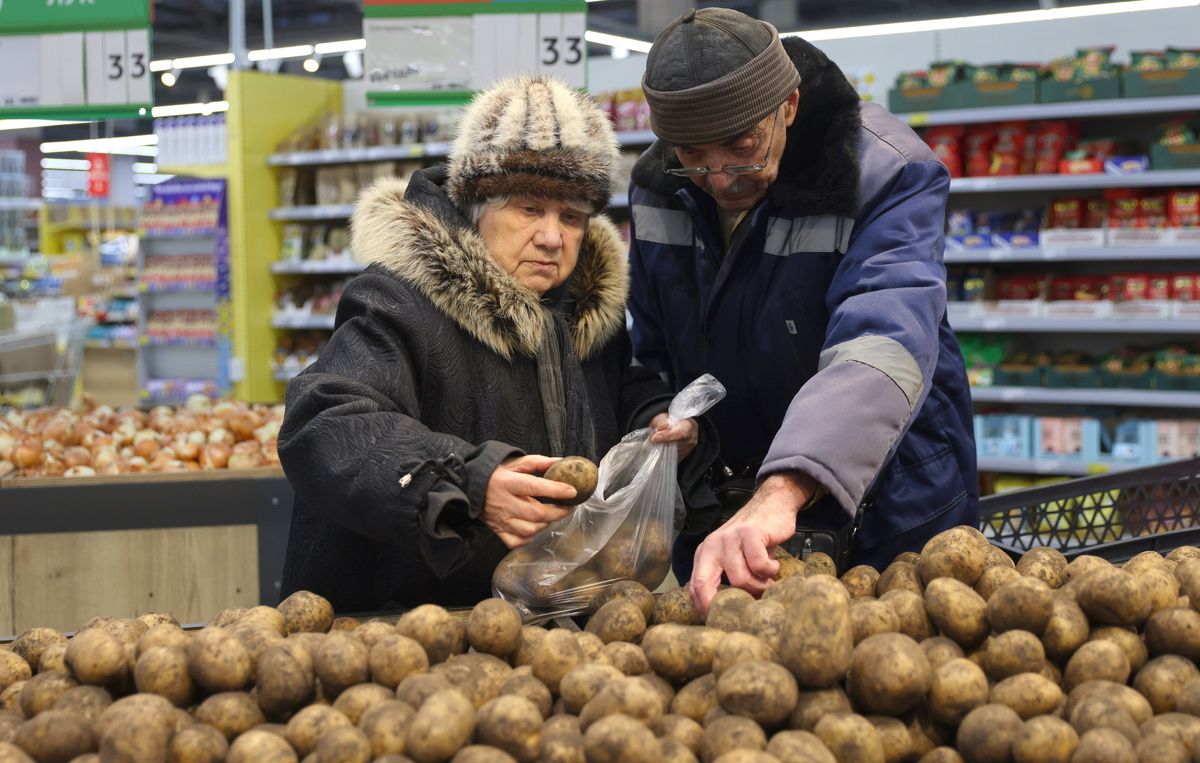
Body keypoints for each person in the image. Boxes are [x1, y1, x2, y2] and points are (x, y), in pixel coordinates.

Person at [278, 75, 715, 612]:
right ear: (477, 206)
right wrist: (468, 481)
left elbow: (619, 391)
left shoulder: (582, 312)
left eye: (572, 217)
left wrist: (655, 421)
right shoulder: (396, 302)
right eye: (530, 209)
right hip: (406, 627)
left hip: (543, 622)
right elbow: (324, 422)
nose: (553, 237)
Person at [626, 7, 979, 614]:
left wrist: (784, 487)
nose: (721, 180)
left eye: (742, 149)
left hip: (889, 504)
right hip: (732, 520)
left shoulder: (883, 169)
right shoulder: (660, 185)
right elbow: (654, 345)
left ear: (787, 105)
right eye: (692, 154)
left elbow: (882, 338)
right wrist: (669, 417)